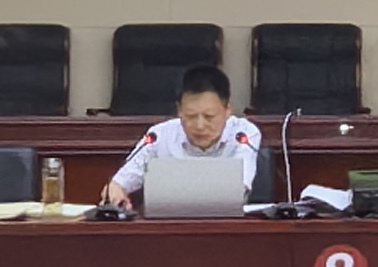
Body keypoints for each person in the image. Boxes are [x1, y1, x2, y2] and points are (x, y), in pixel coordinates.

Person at [107, 66, 262, 212]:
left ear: (228, 110)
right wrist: (116, 190)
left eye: (209, 117)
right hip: (168, 226)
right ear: (179, 110)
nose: (200, 126)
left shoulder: (243, 134)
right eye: (191, 116)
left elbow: (240, 187)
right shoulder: (159, 136)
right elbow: (119, 182)